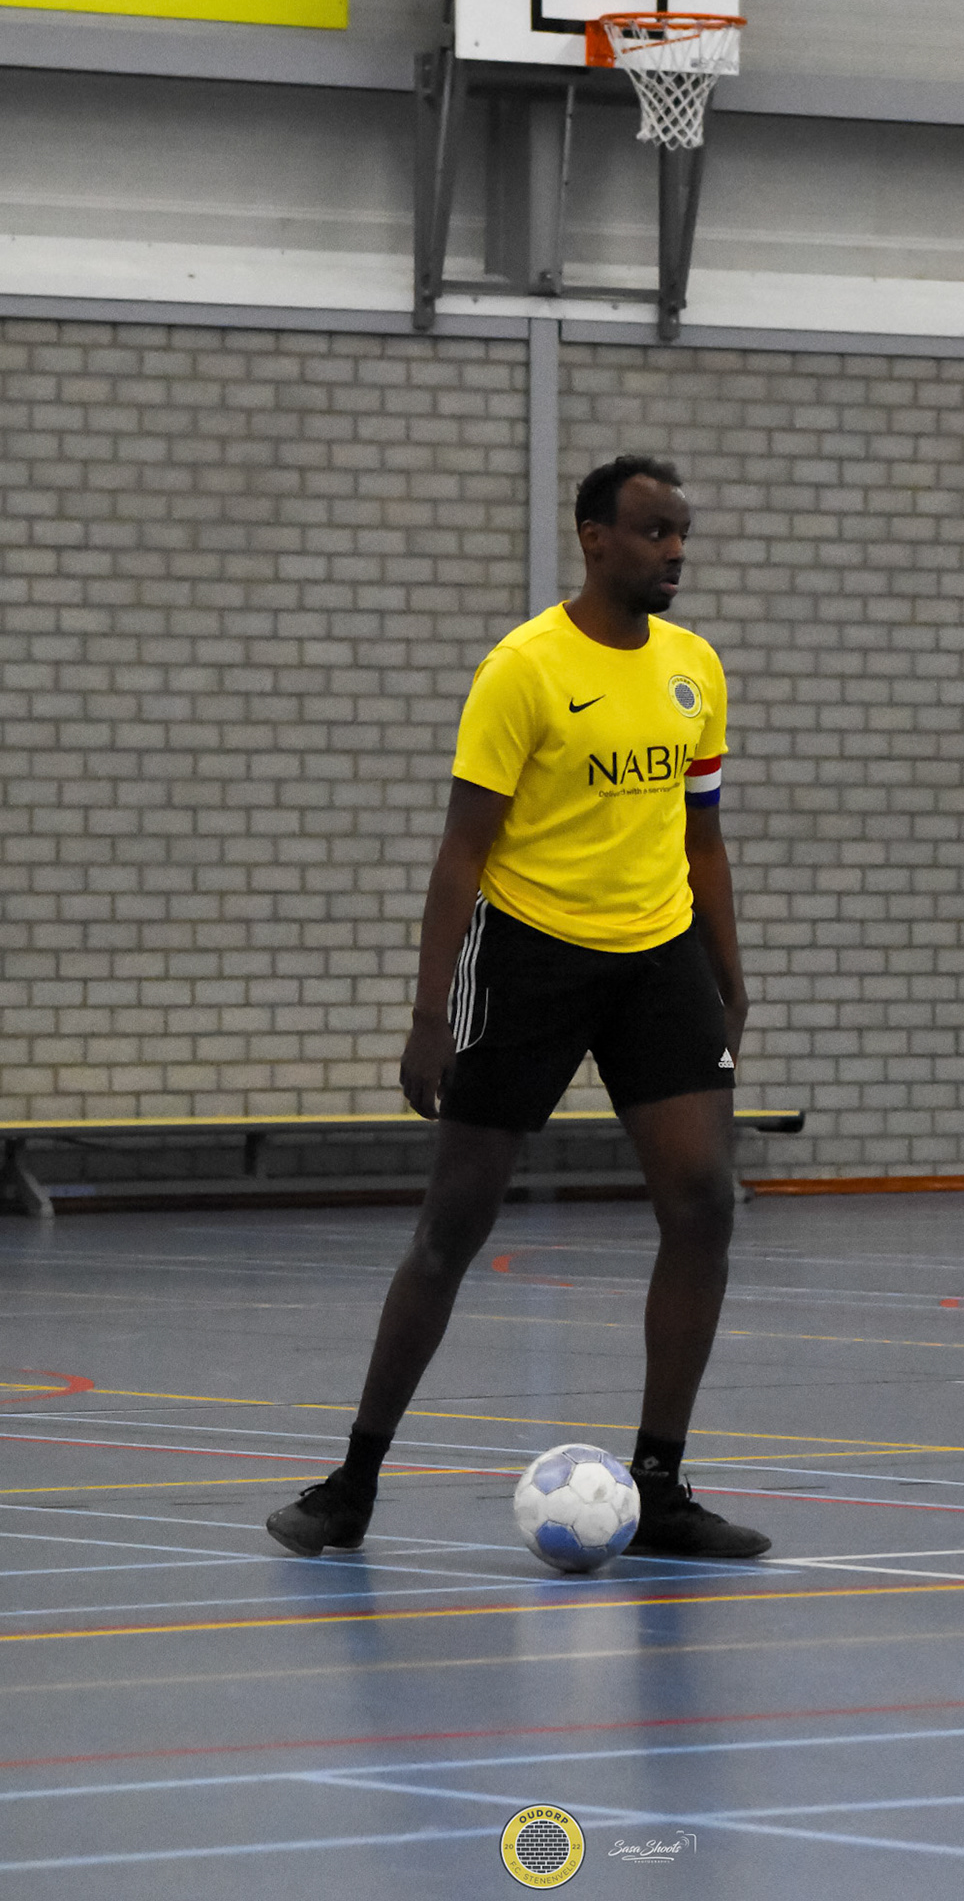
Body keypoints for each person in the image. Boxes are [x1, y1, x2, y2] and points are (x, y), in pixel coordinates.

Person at [266, 455, 770, 1561]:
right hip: (529, 959)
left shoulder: (694, 669)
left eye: (682, 534)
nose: (675, 552)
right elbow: (462, 851)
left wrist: (729, 976)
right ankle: (352, 1482)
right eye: (654, 532)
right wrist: (429, 1013)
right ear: (594, 537)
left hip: (658, 957)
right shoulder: (524, 670)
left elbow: (704, 839)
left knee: (703, 1204)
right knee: (455, 1223)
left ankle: (660, 1485)